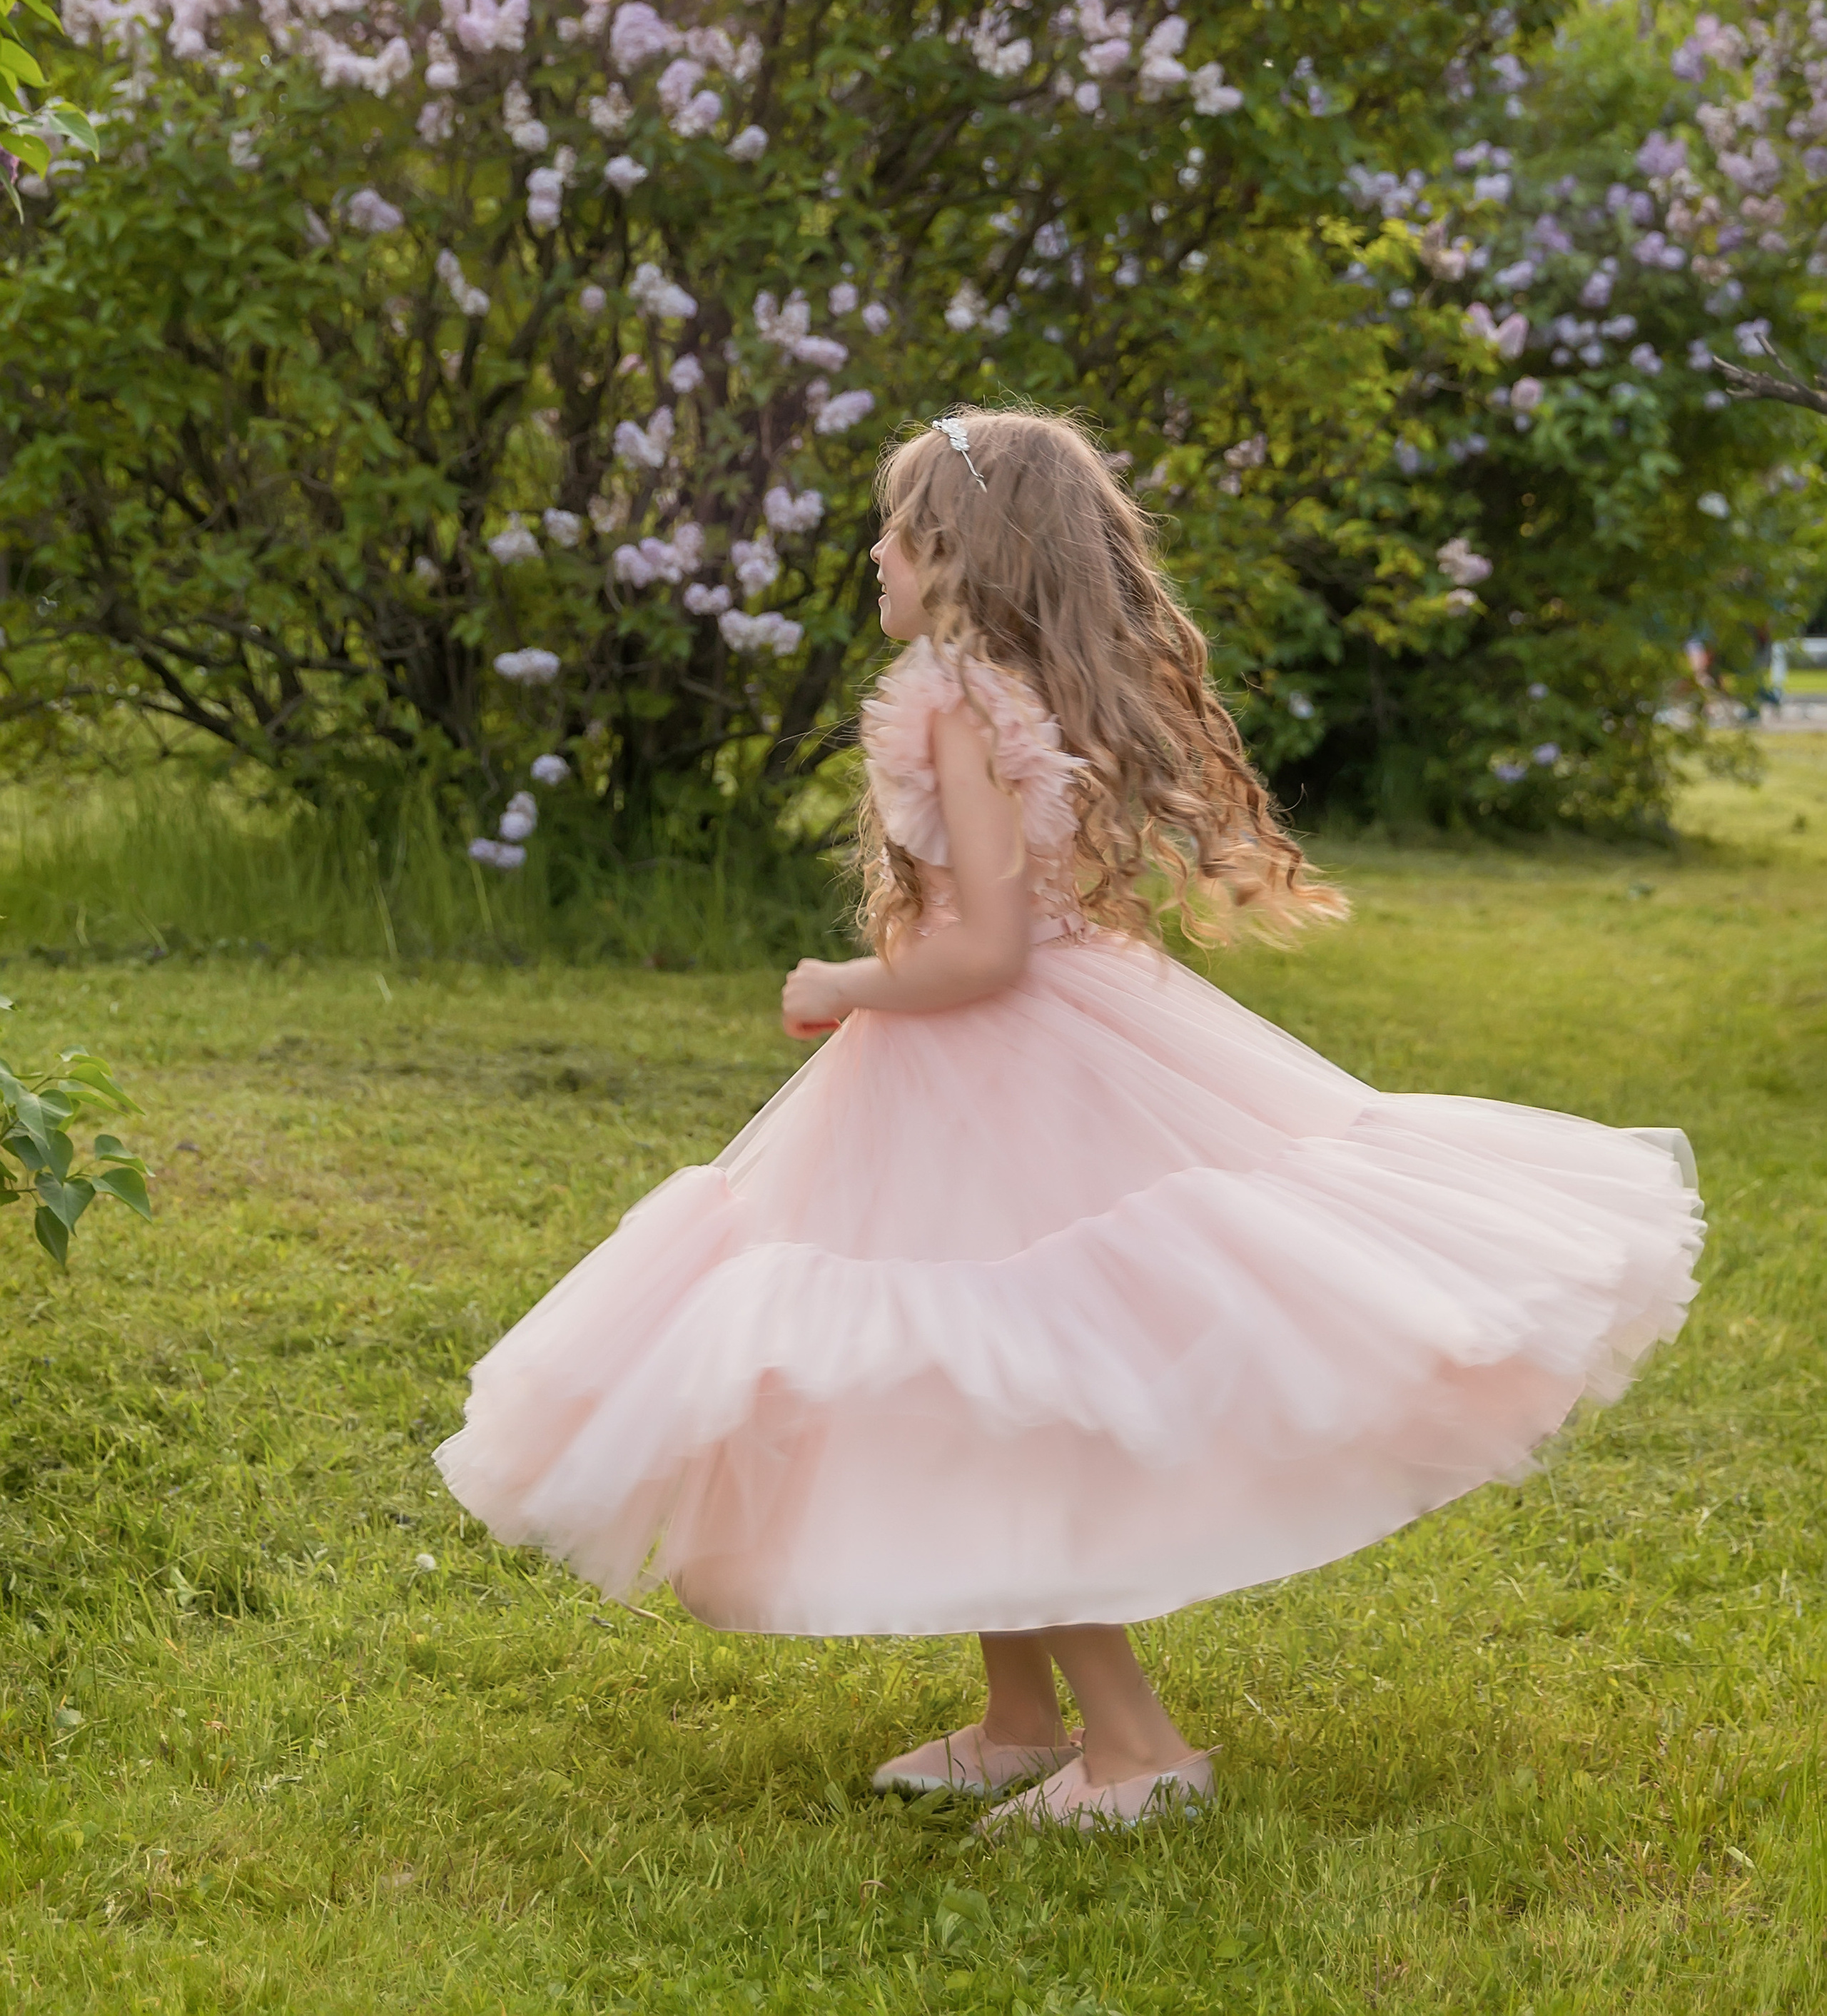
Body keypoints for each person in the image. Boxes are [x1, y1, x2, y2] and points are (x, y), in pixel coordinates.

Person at [435, 406, 1703, 1833]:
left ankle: (1138, 1746)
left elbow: (986, 953)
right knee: (963, 1372)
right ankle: (1019, 1716)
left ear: (957, 557)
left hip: (997, 1065)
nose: (871, 552)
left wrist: (840, 979)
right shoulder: (986, 695)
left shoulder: (950, 706)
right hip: (994, 1064)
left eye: (896, 529)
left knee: (1014, 1386)